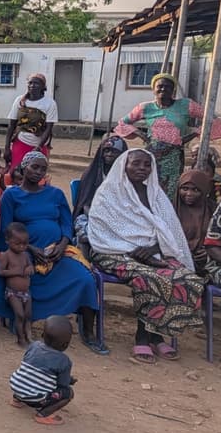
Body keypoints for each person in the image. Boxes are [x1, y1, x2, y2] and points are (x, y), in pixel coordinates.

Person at [88, 149, 207, 364]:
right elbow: (102, 228)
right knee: (150, 277)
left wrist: (152, 249)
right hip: (113, 251)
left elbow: (167, 228)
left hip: (152, 251)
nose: (142, 168)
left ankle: (157, 333)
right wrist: (134, 249)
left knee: (187, 277)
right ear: (124, 165)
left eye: (146, 164)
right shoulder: (107, 192)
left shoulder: (154, 193)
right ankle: (142, 336)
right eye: (136, 164)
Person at [0, 152, 102, 351]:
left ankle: (88, 330)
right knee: (22, 275)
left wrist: (62, 245)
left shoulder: (55, 194)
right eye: (34, 167)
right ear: (23, 168)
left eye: (42, 168)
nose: (38, 172)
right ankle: (22, 319)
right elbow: (7, 228)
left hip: (57, 252)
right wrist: (29, 248)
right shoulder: (11, 195)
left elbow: (67, 223)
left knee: (85, 278)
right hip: (23, 251)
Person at [114, 73, 221, 201]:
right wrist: (141, 135)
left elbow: (211, 119)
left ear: (173, 90)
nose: (163, 89)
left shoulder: (186, 105)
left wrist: (194, 134)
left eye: (168, 87)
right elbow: (123, 122)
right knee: (149, 187)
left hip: (174, 156)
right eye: (160, 86)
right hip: (152, 155)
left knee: (170, 191)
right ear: (153, 89)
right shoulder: (145, 107)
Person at [8, 316, 76, 426]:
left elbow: (28, 362)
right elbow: (62, 384)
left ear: (43, 335)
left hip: (17, 386)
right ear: (65, 344)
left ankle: (17, 400)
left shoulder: (34, 346)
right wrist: (69, 380)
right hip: (36, 399)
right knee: (68, 393)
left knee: (29, 375)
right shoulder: (64, 361)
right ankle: (43, 415)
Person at [72, 136, 128, 252]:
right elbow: (85, 204)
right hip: (92, 215)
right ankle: (86, 264)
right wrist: (99, 217)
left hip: (121, 217)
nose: (109, 154)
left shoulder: (127, 177)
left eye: (114, 151)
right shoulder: (91, 175)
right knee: (85, 234)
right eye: (106, 151)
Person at [3, 74, 57, 168]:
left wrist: (38, 148)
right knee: (16, 173)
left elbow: (48, 129)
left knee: (36, 175)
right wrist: (7, 147)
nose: (32, 85)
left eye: (36, 83)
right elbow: (11, 125)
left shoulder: (50, 103)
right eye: (30, 83)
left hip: (38, 146)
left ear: (43, 87)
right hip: (20, 142)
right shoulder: (20, 100)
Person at [0, 222, 34, 347]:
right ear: (7, 241)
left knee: (28, 315)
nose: (22, 247)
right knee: (20, 315)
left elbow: (30, 266)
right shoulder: (6, 255)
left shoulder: (25, 255)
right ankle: (21, 339)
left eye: (25, 244)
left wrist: (29, 268)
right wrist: (15, 272)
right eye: (18, 244)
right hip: (13, 293)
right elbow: (0, 271)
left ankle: (29, 336)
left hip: (26, 292)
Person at [174, 169, 216, 273]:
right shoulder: (169, 210)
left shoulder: (214, 210)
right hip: (176, 262)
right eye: (184, 188)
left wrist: (211, 252)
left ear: (204, 191)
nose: (189, 193)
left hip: (210, 264)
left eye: (195, 190)